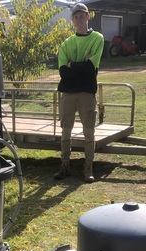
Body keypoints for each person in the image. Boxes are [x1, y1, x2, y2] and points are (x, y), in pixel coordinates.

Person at [54, 3, 104, 182]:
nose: (79, 20)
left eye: (82, 16)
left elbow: (92, 67)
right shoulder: (67, 43)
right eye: (75, 17)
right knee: (65, 131)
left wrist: (72, 65)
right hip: (68, 93)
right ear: (72, 20)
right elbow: (62, 72)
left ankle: (88, 168)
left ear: (88, 16)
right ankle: (64, 165)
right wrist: (80, 66)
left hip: (87, 93)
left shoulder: (97, 38)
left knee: (88, 132)